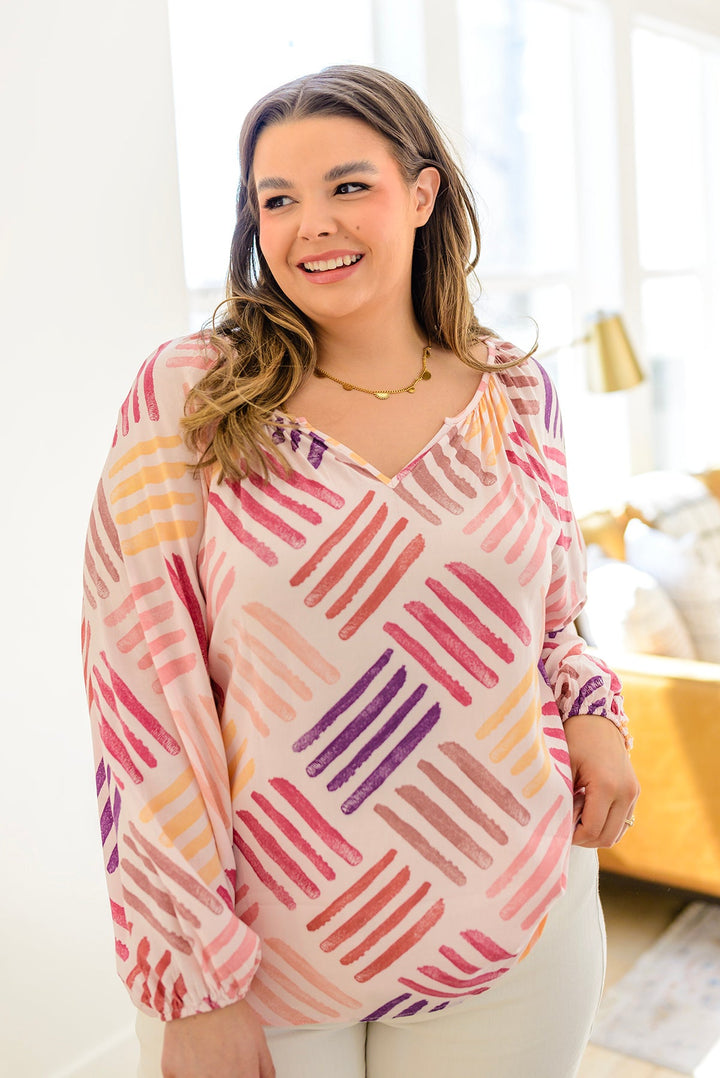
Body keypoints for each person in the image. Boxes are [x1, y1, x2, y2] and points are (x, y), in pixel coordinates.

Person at [81, 64, 639, 1078]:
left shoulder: (518, 393)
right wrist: (194, 981)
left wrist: (595, 710)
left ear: (422, 195)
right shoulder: (189, 395)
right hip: (259, 956)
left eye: (348, 186)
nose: (313, 226)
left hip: (516, 922)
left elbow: (555, 620)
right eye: (277, 200)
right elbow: (141, 690)